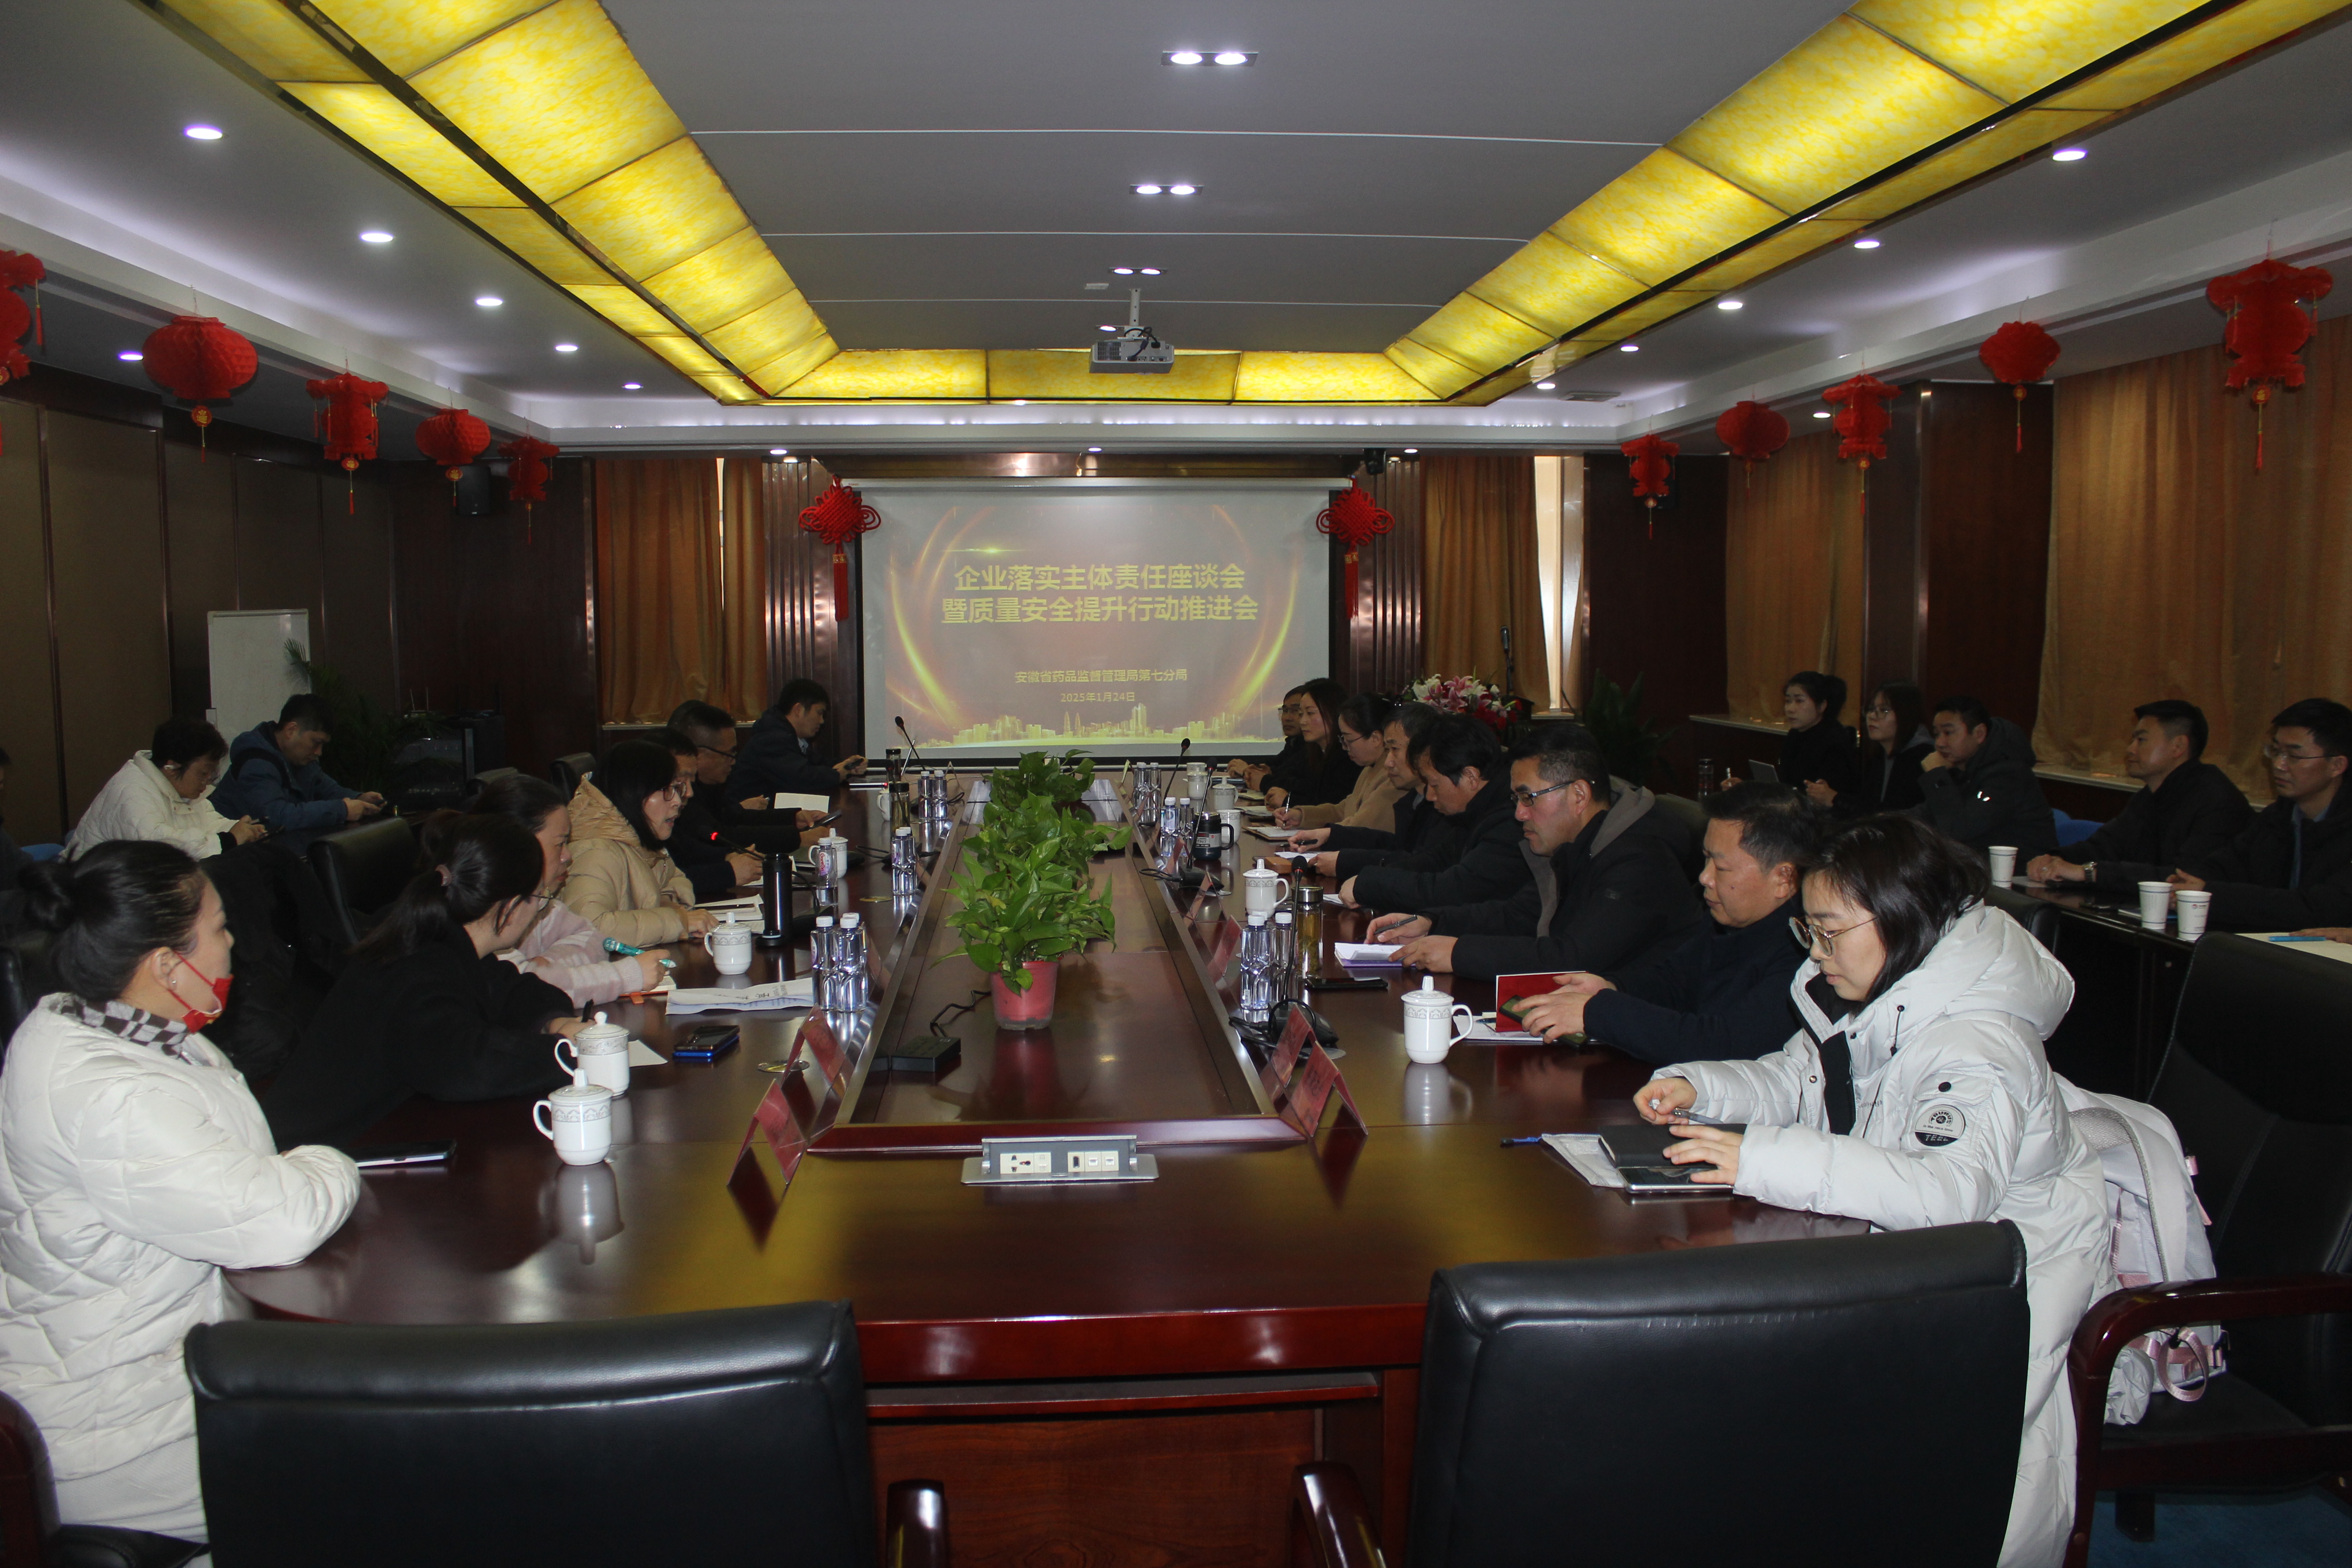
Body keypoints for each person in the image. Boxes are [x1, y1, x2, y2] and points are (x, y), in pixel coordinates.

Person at [1634, 815, 2108, 1567]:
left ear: (1901, 918)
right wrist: (1702, 1087)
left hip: (2003, 1285)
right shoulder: (1879, 991)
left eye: (1829, 932)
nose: (1816, 954)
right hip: (1914, 1258)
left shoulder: (1977, 1044)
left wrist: (1762, 1158)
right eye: (1810, 933)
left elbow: (1950, 1197)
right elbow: (1798, 1078)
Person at [0, 842, 358, 1543]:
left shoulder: (115, 1025)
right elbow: (279, 1220)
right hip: (116, 1428)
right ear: (167, 965)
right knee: (368, 1466)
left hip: (152, 1364)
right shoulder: (109, 1094)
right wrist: (331, 1161)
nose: (234, 945)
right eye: (221, 928)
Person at [264, 813, 587, 1148]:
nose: (538, 911)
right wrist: (566, 1055)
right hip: (312, 1156)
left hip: (374, 1129)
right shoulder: (418, 967)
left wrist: (554, 1021)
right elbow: (465, 1068)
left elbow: (512, 990)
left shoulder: (440, 937)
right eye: (539, 899)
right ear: (510, 908)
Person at [1514, 782, 1816, 1063]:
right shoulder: (1727, 918)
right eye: (1706, 859)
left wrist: (1598, 1013)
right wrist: (1611, 987)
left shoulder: (1807, 952)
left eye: (1722, 868)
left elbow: (1722, 1043)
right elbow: (1674, 982)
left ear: (1783, 879)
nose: (1705, 878)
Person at [1380, 721, 1702, 979]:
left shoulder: (1640, 859)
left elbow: (1573, 959)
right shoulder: (1574, 842)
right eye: (1516, 800)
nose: (1520, 814)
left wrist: (1458, 953)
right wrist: (1432, 922)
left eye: (1528, 798)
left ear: (1578, 796)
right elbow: (1519, 915)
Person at [470, 773, 669, 1008]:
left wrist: (549, 964)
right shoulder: (485, 912)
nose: (568, 855)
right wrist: (625, 976)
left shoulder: (542, 901)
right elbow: (526, 991)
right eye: (560, 844)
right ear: (518, 844)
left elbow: (593, 938)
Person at [2161, 697, 2352, 930]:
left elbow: (2321, 909)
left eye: (2294, 756)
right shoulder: (2278, 817)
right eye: (2276, 752)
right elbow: (2227, 865)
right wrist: (2185, 883)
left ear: (2336, 766)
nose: (2279, 765)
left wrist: (2210, 895)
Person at [2024, 701, 2253, 889]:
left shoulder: (2218, 803)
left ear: (2178, 747)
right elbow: (2104, 847)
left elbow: (2182, 878)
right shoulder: (2150, 795)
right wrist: (2054, 858)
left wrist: (2090, 873)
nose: (2130, 749)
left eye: (2141, 740)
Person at [1335, 714, 1529, 916]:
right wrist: (1373, 877)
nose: (1429, 796)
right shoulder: (1474, 809)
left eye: (1434, 784)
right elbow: (1435, 860)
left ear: (1470, 777)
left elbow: (1455, 890)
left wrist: (1372, 884)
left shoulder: (1512, 820)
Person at [560, 740, 717, 946]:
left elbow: (674, 879)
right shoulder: (595, 851)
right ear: (633, 792)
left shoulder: (637, 837)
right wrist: (677, 922)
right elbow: (589, 929)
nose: (678, 801)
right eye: (666, 789)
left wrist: (667, 906)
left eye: (675, 789)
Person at [66, 717, 265, 861]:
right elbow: (159, 848)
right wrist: (229, 840)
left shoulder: (182, 789)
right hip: (89, 889)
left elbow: (208, 824)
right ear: (172, 767)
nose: (208, 781)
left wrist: (243, 830)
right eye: (203, 773)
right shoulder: (132, 791)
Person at [211, 693, 384, 853]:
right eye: (316, 743)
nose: (319, 752)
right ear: (291, 731)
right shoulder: (255, 763)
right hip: (228, 857)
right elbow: (275, 818)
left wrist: (359, 799)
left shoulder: (298, 758)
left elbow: (327, 789)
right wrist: (342, 810)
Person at [1285, 702, 1442, 877]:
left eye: (1395, 749)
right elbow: (1392, 844)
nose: (1389, 762)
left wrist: (1345, 860)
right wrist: (1330, 834)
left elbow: (1416, 863)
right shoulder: (1409, 795)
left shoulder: (1437, 806)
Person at [1913, 696, 2059, 858]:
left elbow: (1958, 831)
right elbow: (1928, 814)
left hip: (2021, 869)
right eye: (1937, 734)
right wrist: (1891, 822)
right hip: (1978, 865)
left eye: (1948, 733)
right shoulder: (1962, 768)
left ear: (1979, 734)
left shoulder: (2008, 774)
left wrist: (1936, 777)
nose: (1940, 743)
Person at [1278, 693, 1403, 831]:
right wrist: (1302, 816)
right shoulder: (1369, 769)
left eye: (1349, 739)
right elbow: (1343, 810)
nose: (1345, 747)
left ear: (1376, 738)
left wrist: (1325, 833)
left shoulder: (1393, 774)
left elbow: (1360, 825)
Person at [730, 678, 864, 807]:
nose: (822, 721)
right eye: (819, 713)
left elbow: (816, 763)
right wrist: (837, 774)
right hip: (751, 818)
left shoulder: (786, 735)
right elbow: (801, 778)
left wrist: (848, 765)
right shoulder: (771, 739)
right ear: (799, 710)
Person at [1811, 680, 1931, 815]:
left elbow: (1892, 814)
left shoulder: (1922, 756)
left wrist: (1835, 799)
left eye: (1884, 710)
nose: (1872, 716)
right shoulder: (1880, 755)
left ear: (1907, 714)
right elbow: (1867, 804)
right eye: (1871, 710)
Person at [1261, 680, 1357, 810]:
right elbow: (1307, 790)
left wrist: (1288, 801)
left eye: (1310, 713)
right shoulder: (1316, 752)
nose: (1303, 721)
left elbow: (1334, 808)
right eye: (1301, 714)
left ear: (1333, 712)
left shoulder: (1348, 756)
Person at [1778, 671, 1859, 797]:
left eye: (1799, 701)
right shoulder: (1795, 734)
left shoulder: (1833, 742)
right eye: (1788, 701)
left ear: (1821, 706)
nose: (1790, 709)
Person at [1226, 687, 1307, 793]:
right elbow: (1275, 765)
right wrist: (1249, 767)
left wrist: (1249, 771)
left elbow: (1296, 783)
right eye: (1285, 711)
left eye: (1295, 711)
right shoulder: (1294, 743)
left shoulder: (1314, 748)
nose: (1287, 718)